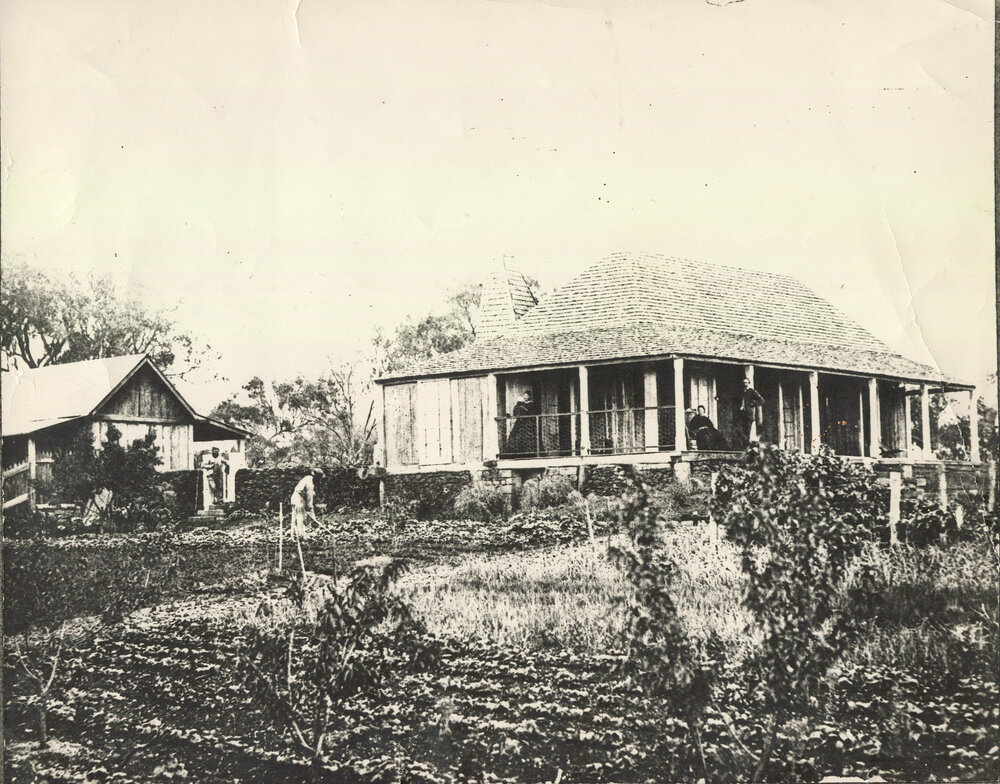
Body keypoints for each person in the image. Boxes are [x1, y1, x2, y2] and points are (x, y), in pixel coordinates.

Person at [291, 468, 324, 537]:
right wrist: (310, 509)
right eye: (319, 479)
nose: (320, 481)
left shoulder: (307, 478)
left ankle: (293, 533)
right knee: (300, 516)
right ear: (316, 477)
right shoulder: (310, 483)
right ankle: (301, 534)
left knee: (295, 516)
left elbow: (309, 493)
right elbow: (309, 497)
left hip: (296, 497)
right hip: (298, 498)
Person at [506, 389, 538, 457]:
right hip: (520, 422)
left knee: (528, 437)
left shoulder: (531, 405)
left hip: (528, 423)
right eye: (524, 396)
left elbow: (532, 413)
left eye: (526, 395)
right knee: (516, 436)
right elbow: (516, 413)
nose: (525, 397)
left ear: (529, 396)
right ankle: (517, 452)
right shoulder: (520, 405)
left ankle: (530, 453)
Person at [737, 377, 765, 448]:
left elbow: (761, 400)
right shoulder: (741, 392)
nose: (745, 384)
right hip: (741, 413)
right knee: (738, 429)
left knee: (746, 431)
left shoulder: (752, 391)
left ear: (749, 383)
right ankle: (746, 444)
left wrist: (752, 404)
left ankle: (746, 447)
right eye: (744, 382)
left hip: (748, 415)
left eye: (746, 382)